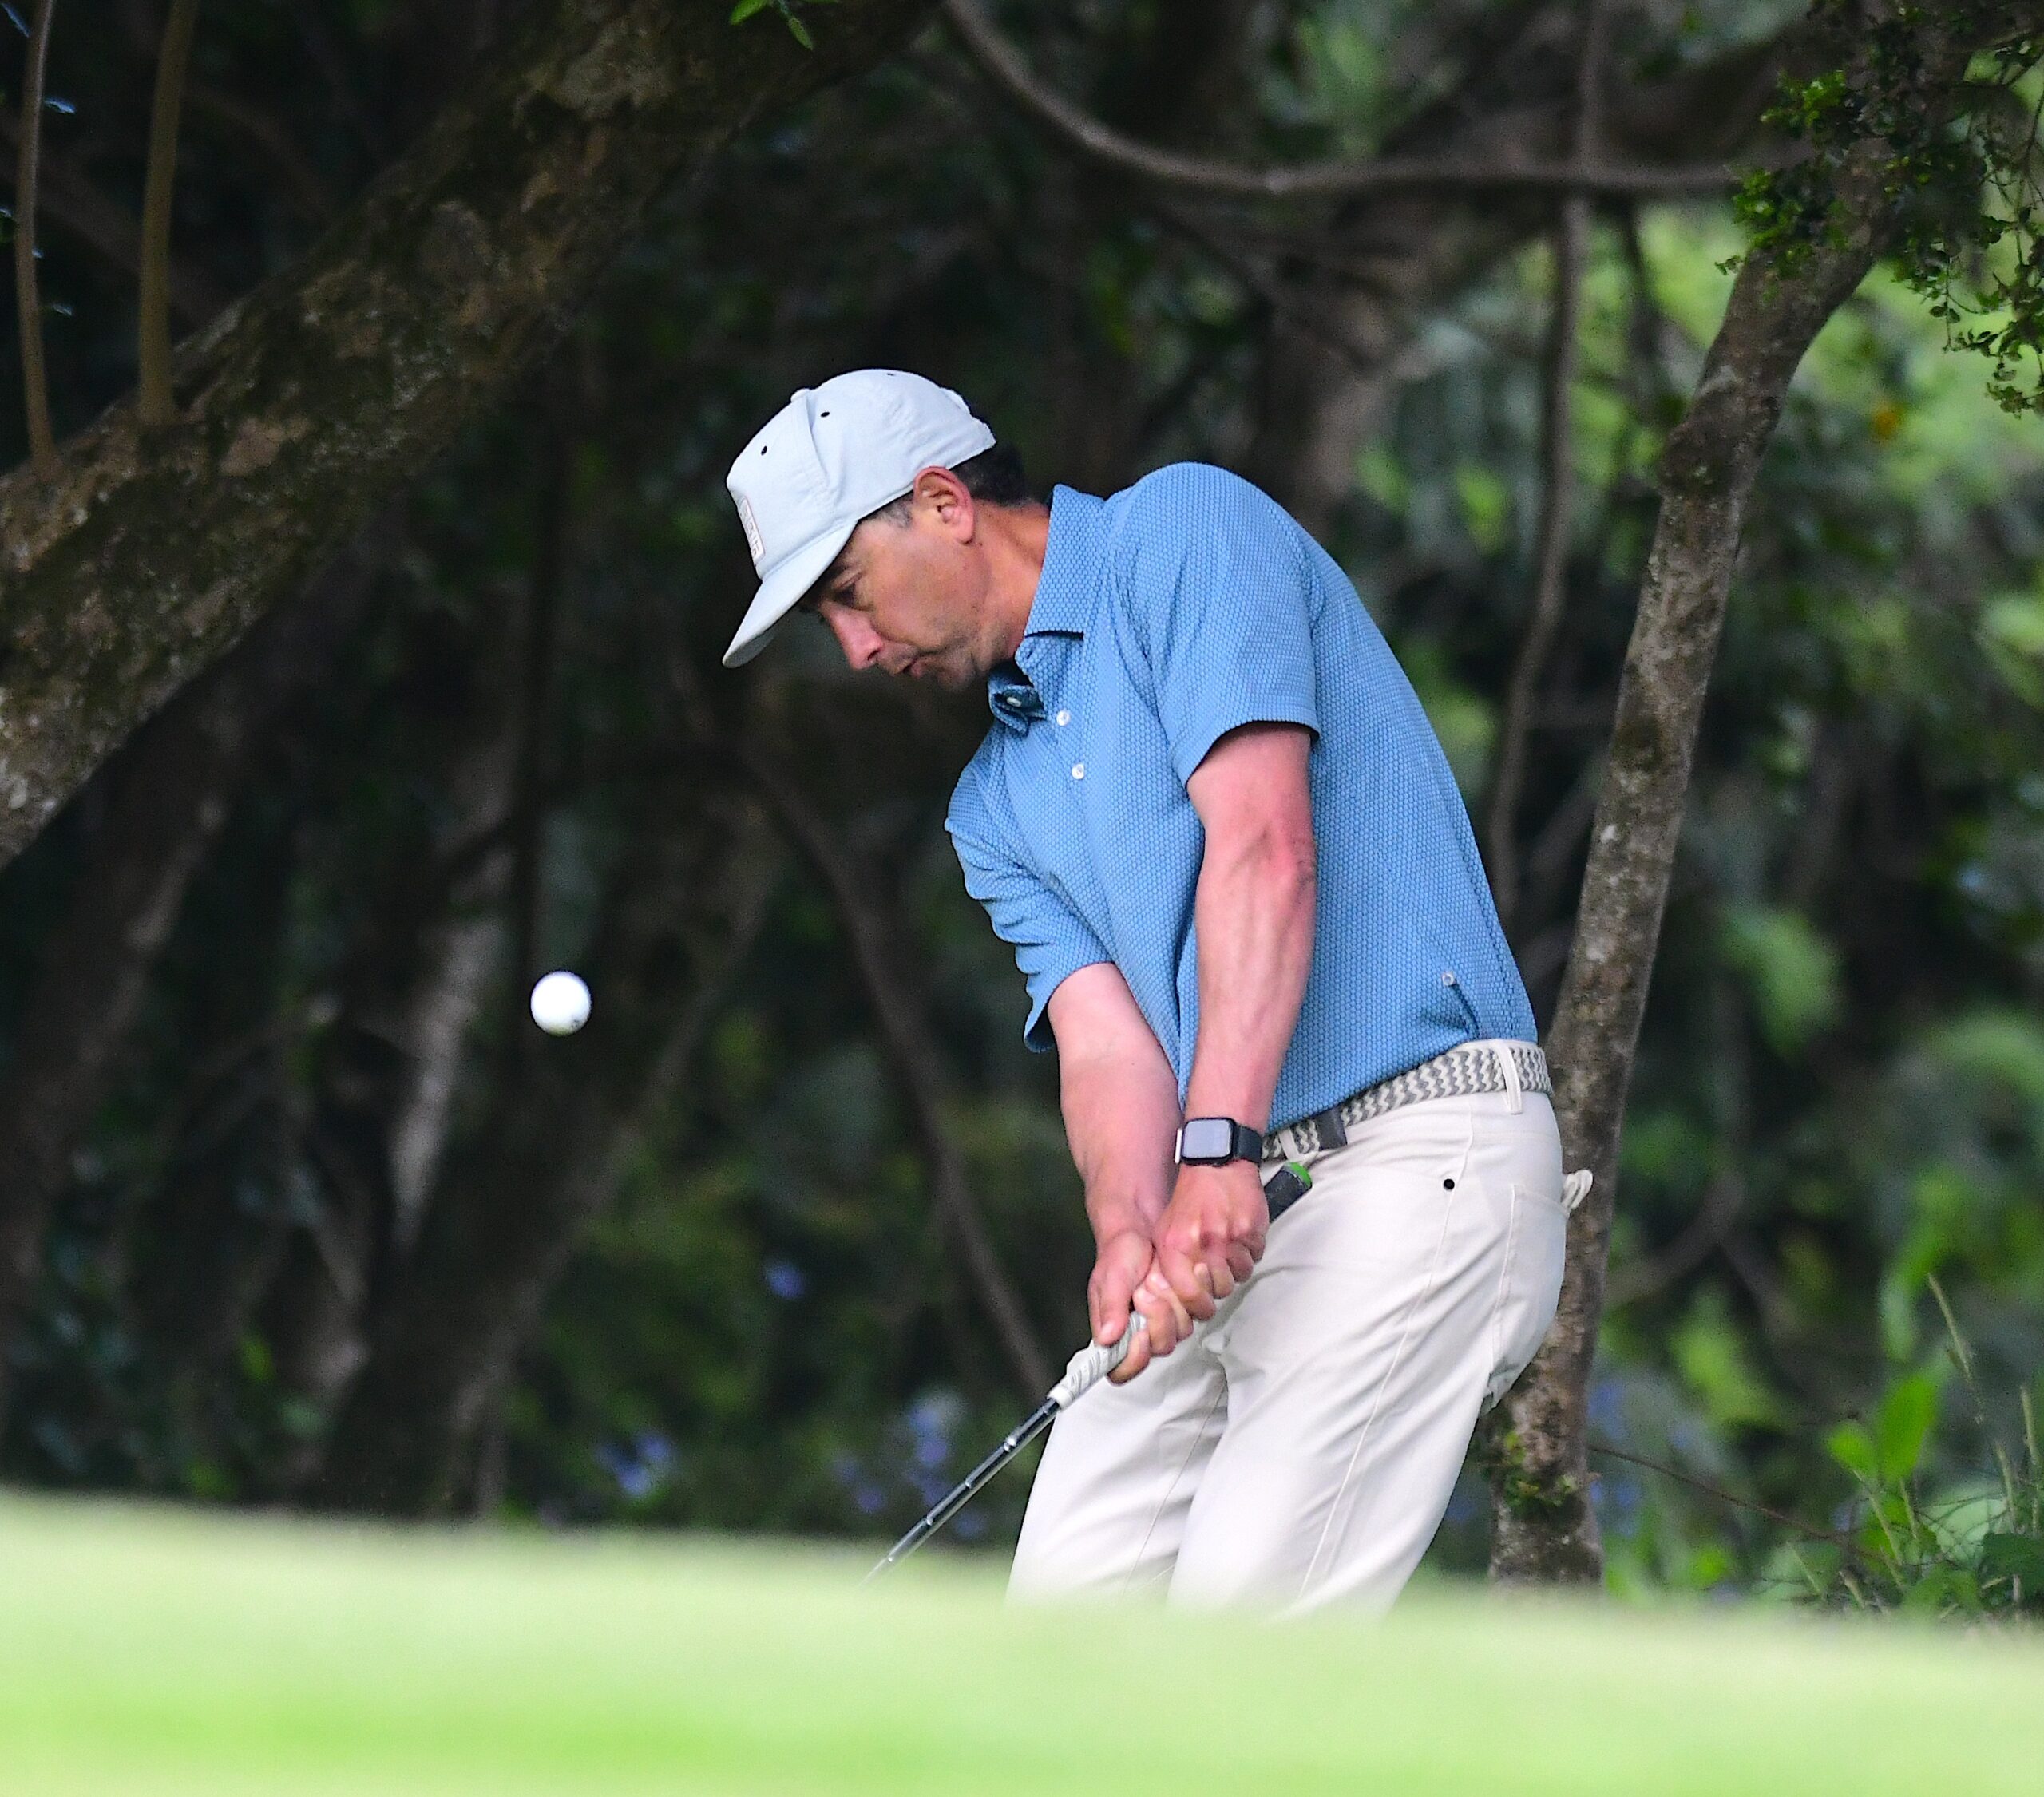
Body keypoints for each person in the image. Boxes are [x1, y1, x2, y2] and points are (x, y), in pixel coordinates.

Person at [722, 368, 1583, 1612]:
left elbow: (1265, 849)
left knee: (1227, 1656)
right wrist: (1130, 1231)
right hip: (1231, 1196)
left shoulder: (1184, 531)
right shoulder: (992, 807)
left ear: (944, 503)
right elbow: (1106, 1045)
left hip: (1416, 1159)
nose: (855, 651)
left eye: (849, 594)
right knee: (1057, 1636)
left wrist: (1216, 1146)